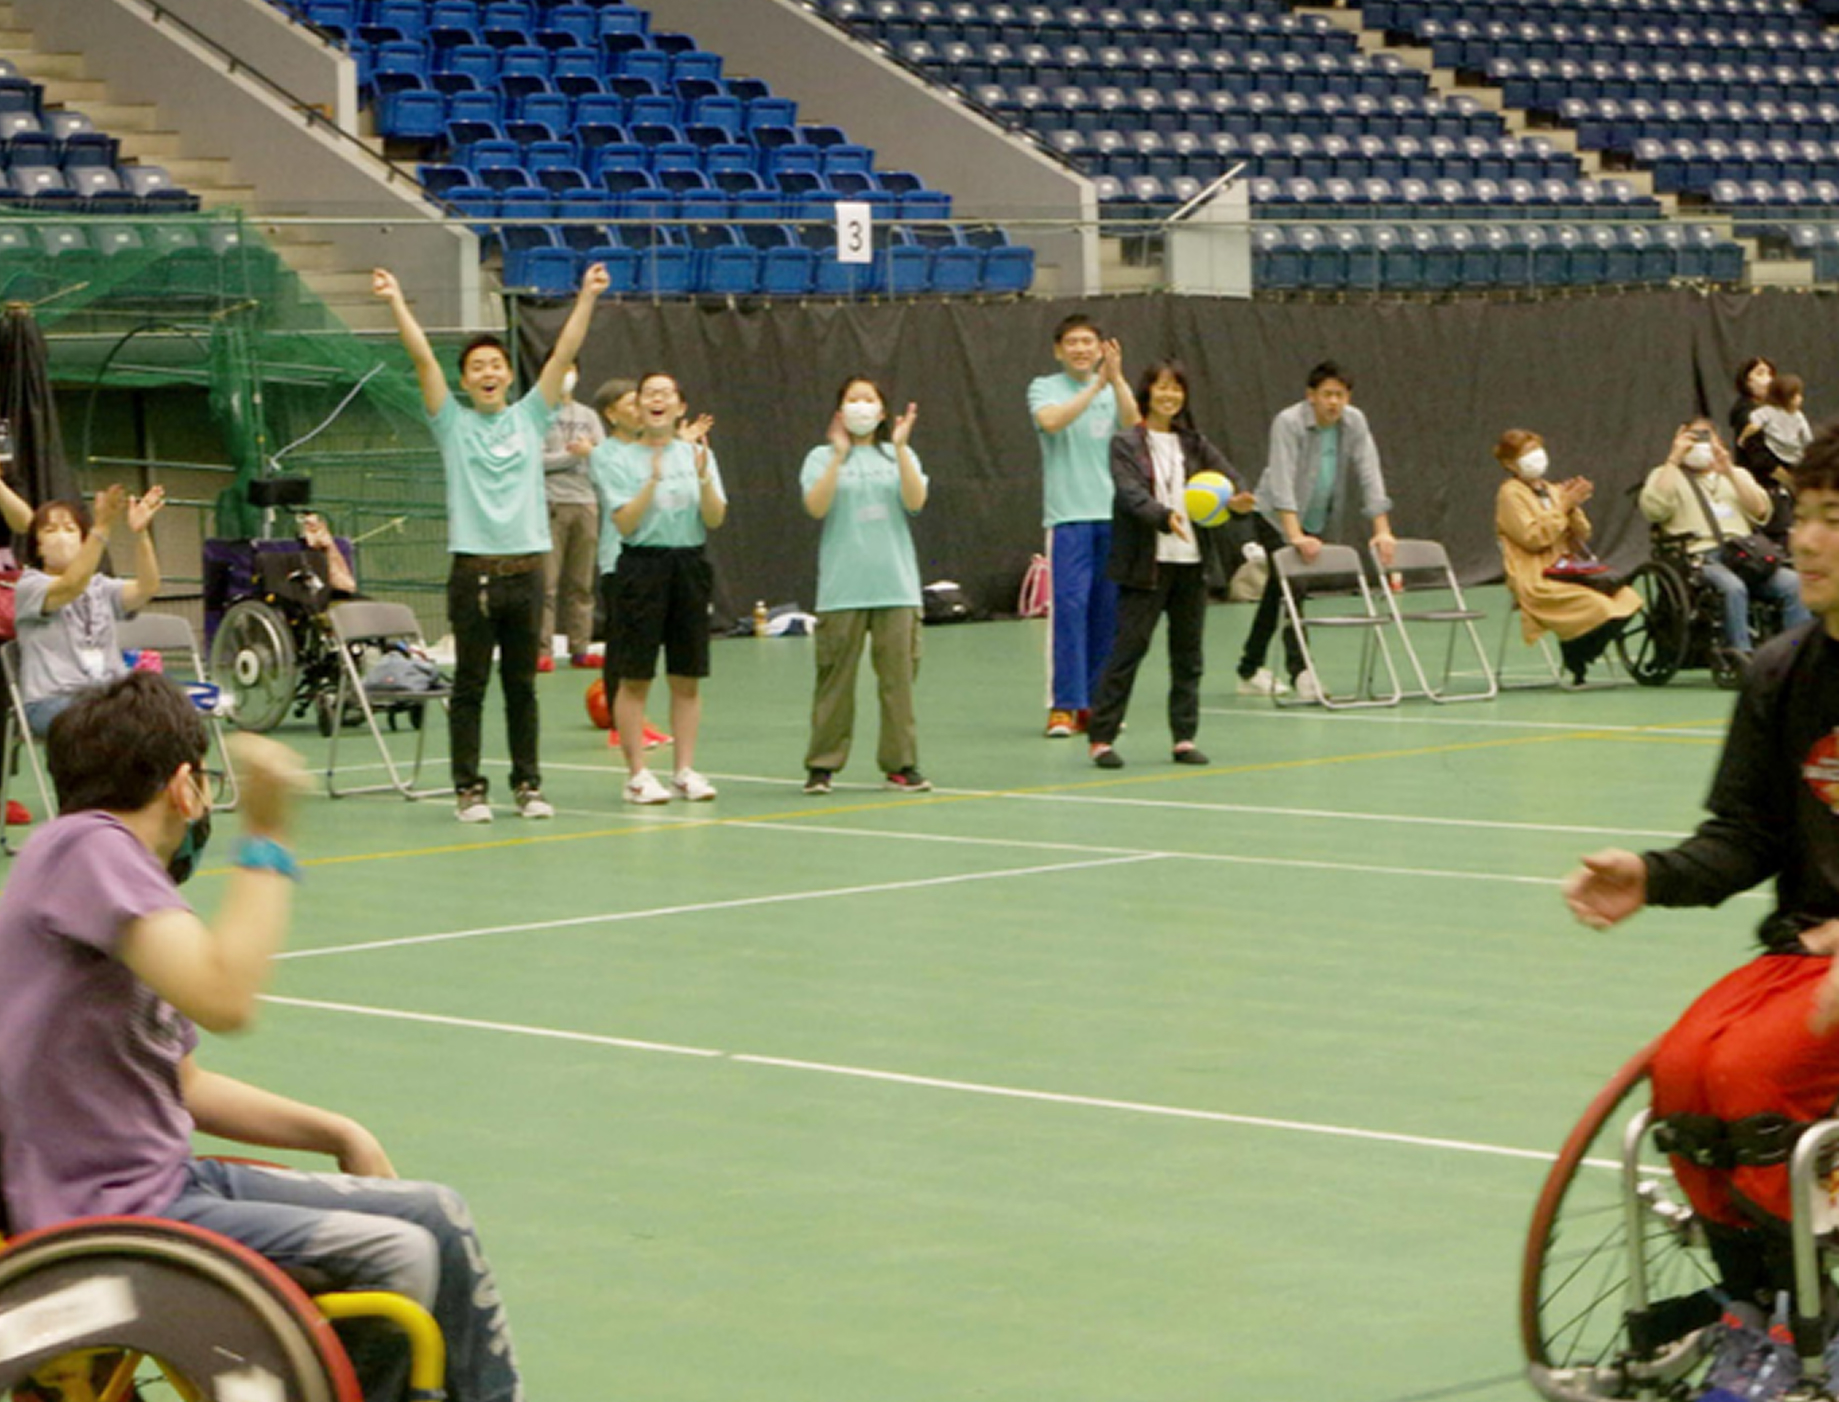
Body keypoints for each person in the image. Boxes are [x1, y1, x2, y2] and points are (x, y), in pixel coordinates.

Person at [0, 672, 524, 1402]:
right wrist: (269, 837)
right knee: (393, 1255)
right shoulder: (89, 848)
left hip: (162, 1183)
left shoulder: (100, 881)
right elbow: (226, 998)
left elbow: (182, 1084)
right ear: (187, 785)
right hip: (111, 1213)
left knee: (438, 1214)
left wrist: (337, 1130)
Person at [1560, 426, 1839, 1384]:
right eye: (1800, 517)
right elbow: (1742, 839)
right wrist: (1651, 874)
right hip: (1804, 953)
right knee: (1683, 1073)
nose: (1804, 541)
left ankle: (1816, 1320)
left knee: (1759, 1081)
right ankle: (1750, 1312)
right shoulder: (1779, 673)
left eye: (1830, 522)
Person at [372, 261, 609, 824]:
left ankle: (527, 784)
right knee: (471, 687)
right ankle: (469, 789)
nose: (486, 372)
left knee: (522, 687)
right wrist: (396, 300)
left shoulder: (531, 417)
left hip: (526, 572)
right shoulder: (451, 424)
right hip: (473, 574)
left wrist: (587, 297)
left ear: (507, 376)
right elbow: (422, 358)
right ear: (464, 381)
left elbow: (560, 353)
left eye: (495, 365)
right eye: (476, 366)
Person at [1087, 359, 1251, 770]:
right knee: (1128, 650)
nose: (1169, 395)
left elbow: (1231, 482)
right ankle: (1102, 739)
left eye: (1176, 388)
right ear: (1146, 393)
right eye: (1161, 387)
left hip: (1191, 565)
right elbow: (1130, 495)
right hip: (1145, 565)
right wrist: (1164, 516)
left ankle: (1183, 737)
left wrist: (1238, 502)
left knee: (1188, 655)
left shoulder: (1195, 444)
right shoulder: (1125, 444)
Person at [591, 371, 724, 805]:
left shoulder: (697, 454)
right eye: (649, 394)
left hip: (688, 562)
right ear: (639, 407)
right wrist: (650, 480)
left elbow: (715, 517)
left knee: (686, 675)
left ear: (680, 406)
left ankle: (684, 769)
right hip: (640, 565)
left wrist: (703, 477)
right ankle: (637, 775)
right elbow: (625, 523)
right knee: (636, 675)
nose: (657, 400)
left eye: (666, 393)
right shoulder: (614, 458)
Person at [1236, 361, 1397, 702]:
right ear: (1311, 396)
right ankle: (1302, 674)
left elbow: (1370, 471)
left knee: (1279, 594)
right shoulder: (1288, 423)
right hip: (1274, 518)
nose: (1333, 403)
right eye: (1326, 395)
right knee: (1292, 589)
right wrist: (1294, 535)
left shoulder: (1354, 422)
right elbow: (1281, 479)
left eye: (1340, 395)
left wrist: (1382, 530)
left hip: (1316, 519)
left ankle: (1249, 669)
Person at [799, 375, 928, 796]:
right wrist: (838, 456)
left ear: (882, 410)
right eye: (852, 400)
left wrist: (904, 449)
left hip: (896, 586)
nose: (860, 406)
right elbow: (816, 506)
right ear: (839, 412)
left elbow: (915, 501)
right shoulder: (819, 457)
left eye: (868, 399)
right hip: (843, 589)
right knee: (835, 681)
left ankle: (901, 763)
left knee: (898, 683)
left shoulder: (896, 455)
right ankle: (822, 765)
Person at [1028, 313, 1141, 738]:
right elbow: (1051, 422)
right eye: (1072, 342)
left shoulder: (1114, 389)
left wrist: (1117, 380)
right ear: (1059, 350)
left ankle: (1097, 704)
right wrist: (1096, 385)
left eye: (1088, 342)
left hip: (1114, 517)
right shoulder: (1044, 388)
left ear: (1101, 348)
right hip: (1068, 518)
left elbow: (1134, 425)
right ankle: (1064, 706)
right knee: (1070, 609)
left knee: (1107, 613)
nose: (1080, 349)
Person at [1638, 418, 1810, 658]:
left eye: (1706, 437)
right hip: (1698, 556)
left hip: (1744, 555)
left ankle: (1796, 654)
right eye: (1693, 438)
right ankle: (1741, 653)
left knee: (1794, 583)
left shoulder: (1738, 474)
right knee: (1732, 587)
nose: (1700, 444)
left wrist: (1728, 470)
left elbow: (1761, 511)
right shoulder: (1666, 474)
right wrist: (1674, 459)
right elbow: (1655, 509)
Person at [1491, 429, 1640, 686]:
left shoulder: (1551, 489)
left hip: (1566, 569)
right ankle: (1575, 654)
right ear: (1509, 463)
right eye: (1527, 454)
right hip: (1536, 575)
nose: (1536, 457)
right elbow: (1534, 538)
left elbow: (1583, 533)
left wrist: (1572, 504)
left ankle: (1578, 649)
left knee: (1628, 598)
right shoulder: (1510, 494)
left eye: (1537, 449)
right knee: (1599, 607)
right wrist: (1562, 506)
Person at [14, 485, 164, 735]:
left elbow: (147, 587)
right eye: (50, 530)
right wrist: (102, 526)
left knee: (170, 713)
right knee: (121, 725)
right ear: (37, 546)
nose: (61, 536)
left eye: (70, 529)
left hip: (108, 695)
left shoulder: (100, 586)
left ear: (83, 543)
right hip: (52, 701)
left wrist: (141, 535)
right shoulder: (30, 585)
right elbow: (70, 586)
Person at [585, 377, 669, 754]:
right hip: (618, 559)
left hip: (650, 556)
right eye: (631, 403)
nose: (640, 409)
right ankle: (620, 725)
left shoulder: (649, 449)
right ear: (611, 413)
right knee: (620, 643)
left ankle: (637, 719)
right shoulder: (605, 455)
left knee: (643, 645)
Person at [537, 364, 603, 674]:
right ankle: (542, 650)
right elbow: (533, 460)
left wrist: (590, 453)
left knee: (582, 583)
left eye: (570, 368)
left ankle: (581, 648)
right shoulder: (536, 414)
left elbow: (603, 455)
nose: (565, 374)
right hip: (552, 503)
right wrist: (572, 456)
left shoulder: (588, 416)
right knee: (547, 584)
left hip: (586, 502)